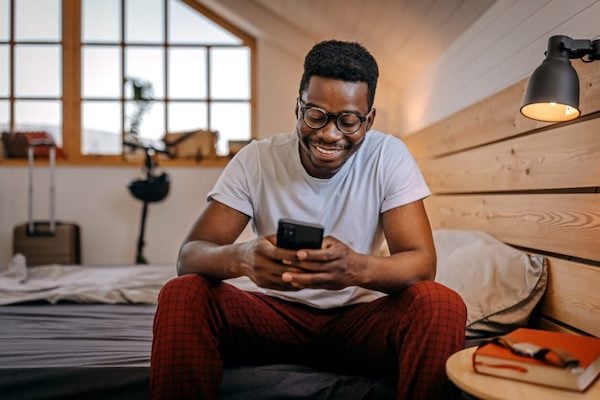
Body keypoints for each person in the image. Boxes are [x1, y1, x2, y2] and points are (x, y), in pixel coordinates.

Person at [150, 40, 466, 400]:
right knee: (183, 292)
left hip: (358, 323)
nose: (329, 135)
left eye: (349, 121)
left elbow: (422, 263)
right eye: (315, 115)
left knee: (441, 304)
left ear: (370, 119)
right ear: (297, 108)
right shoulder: (257, 159)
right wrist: (243, 258)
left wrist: (355, 269)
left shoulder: (388, 156)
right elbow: (189, 256)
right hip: (273, 319)